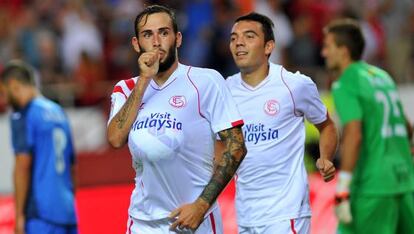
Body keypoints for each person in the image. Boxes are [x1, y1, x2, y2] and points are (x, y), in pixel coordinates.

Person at [106, 5, 247, 234]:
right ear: (136, 43)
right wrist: (144, 80)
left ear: (177, 39)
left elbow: (237, 147)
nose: (156, 41)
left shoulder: (206, 81)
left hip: (195, 221)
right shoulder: (127, 88)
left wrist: (201, 205)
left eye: (163, 32)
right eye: (147, 34)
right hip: (142, 223)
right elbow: (115, 138)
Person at [217, 12, 338, 233]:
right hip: (245, 215)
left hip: (286, 214)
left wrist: (326, 157)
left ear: (268, 46)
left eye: (249, 36)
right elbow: (219, 148)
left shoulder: (295, 85)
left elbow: (327, 126)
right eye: (233, 38)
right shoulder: (223, 90)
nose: (239, 43)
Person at [322, 18, 414, 234]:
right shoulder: (382, 77)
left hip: (372, 187)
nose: (324, 53)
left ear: (343, 51)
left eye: (327, 46)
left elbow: (354, 133)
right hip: (404, 181)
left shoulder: (346, 82)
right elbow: (407, 127)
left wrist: (343, 186)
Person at [0, 60, 78, 234]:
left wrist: (19, 215)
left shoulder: (23, 114)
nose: (4, 100)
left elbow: (22, 166)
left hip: (41, 214)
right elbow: (72, 166)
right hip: (67, 212)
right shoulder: (59, 111)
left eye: (4, 93)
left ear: (13, 85)